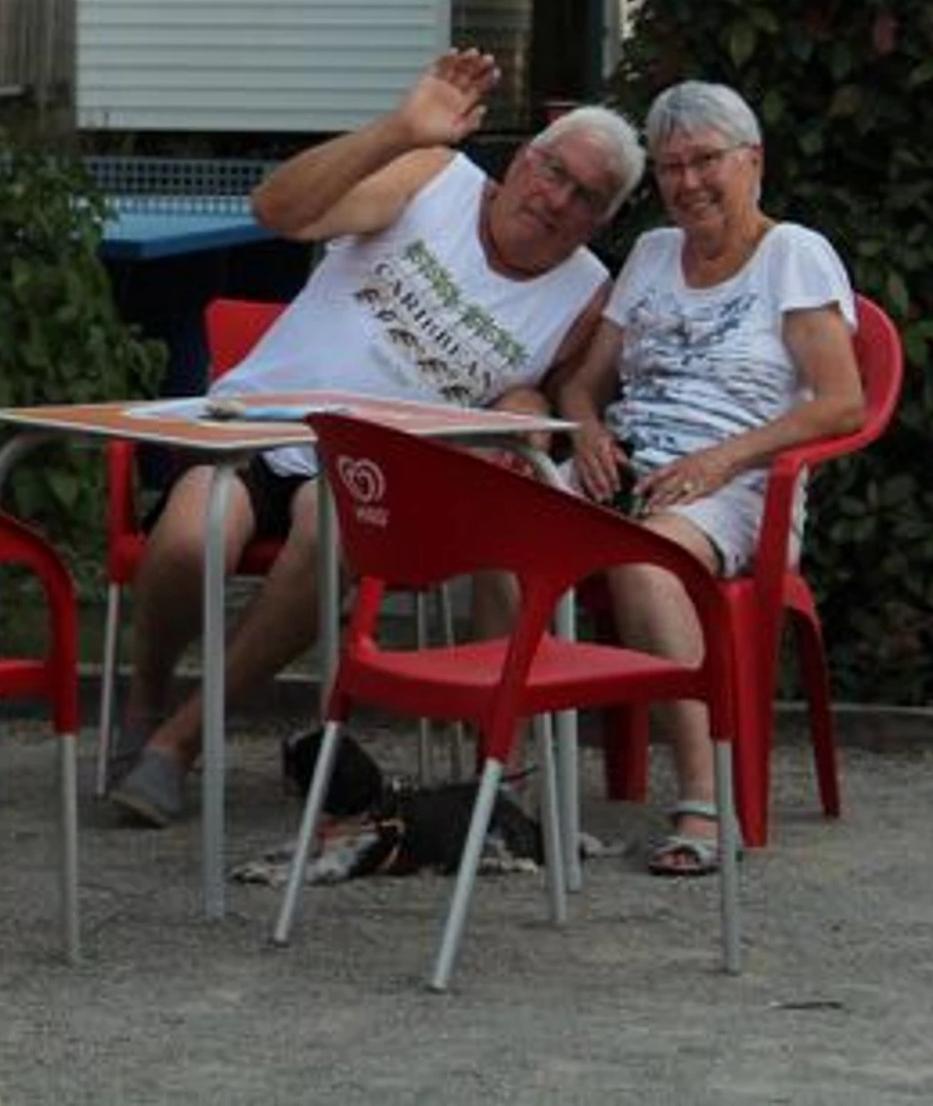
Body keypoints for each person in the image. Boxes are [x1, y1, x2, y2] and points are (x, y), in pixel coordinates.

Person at [107, 49, 644, 828]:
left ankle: (180, 741)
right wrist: (398, 130)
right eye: (553, 170)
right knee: (194, 539)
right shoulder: (434, 178)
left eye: (585, 195)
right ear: (524, 158)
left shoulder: (586, 294)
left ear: (602, 220)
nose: (556, 198)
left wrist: (516, 411)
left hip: (375, 472)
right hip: (258, 424)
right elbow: (277, 211)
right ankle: (146, 698)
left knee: (331, 530)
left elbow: (541, 388)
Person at [556, 80, 864, 879]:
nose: (688, 182)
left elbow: (841, 402)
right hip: (625, 469)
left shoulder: (793, 255)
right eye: (670, 167)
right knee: (502, 522)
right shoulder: (654, 254)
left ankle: (704, 796)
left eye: (705, 161)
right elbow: (584, 384)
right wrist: (586, 431)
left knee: (643, 562)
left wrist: (721, 459)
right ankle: (514, 782)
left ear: (751, 160)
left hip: (736, 484)